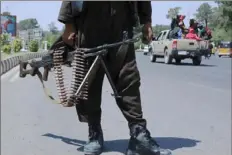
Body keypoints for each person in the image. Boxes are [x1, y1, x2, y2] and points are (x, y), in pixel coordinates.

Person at [58, 2, 172, 155]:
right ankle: (94, 134)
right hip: (89, 24)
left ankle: (138, 134)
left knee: (129, 80)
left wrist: (147, 21)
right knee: (89, 84)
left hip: (121, 23)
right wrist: (68, 22)